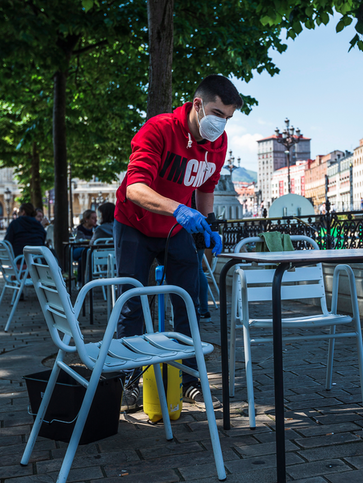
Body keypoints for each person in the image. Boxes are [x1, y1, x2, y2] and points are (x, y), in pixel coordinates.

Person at [113, 74, 238, 411]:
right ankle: (128, 381)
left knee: (190, 303)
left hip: (176, 229)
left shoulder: (218, 144)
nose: (220, 124)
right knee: (131, 304)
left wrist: (208, 224)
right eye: (216, 113)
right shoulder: (158, 129)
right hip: (135, 225)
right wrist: (180, 210)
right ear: (197, 104)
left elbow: (206, 187)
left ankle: (190, 380)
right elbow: (133, 189)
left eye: (227, 118)